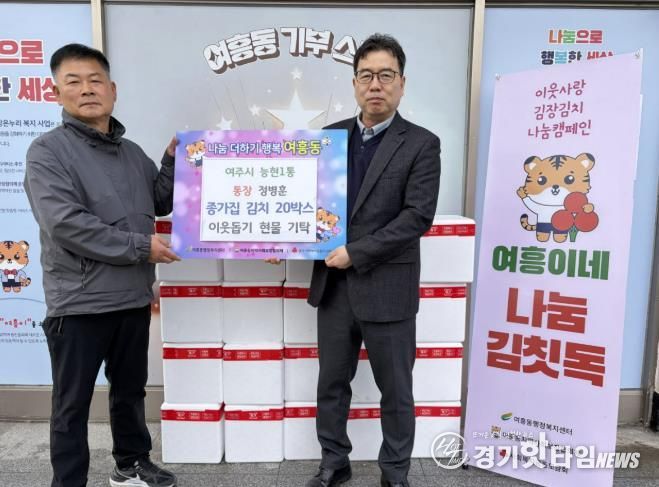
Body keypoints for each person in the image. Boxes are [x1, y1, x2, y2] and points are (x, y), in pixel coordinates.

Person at [24, 43, 180, 487]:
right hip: (79, 302)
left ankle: (131, 464)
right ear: (56, 93)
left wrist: (173, 160)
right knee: (71, 405)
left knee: (130, 391)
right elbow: (66, 224)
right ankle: (68, 481)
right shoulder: (47, 152)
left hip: (131, 296)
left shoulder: (131, 152)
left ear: (113, 90)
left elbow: (159, 200)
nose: (87, 90)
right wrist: (141, 248)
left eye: (96, 81)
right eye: (73, 82)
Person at [306, 34, 441, 487]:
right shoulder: (328, 139)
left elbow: (416, 217)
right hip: (334, 288)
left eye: (386, 75)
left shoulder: (421, 144)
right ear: (354, 83)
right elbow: (306, 204)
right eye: (366, 75)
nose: (375, 85)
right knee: (331, 384)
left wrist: (356, 253)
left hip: (388, 287)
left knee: (396, 390)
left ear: (402, 83)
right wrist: (281, 241)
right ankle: (334, 461)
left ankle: (395, 472)